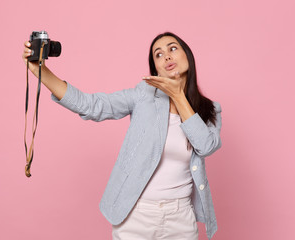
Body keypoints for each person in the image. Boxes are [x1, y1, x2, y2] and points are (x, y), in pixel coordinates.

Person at [22, 31, 222, 240]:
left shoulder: (210, 110)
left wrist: (178, 95)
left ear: (187, 56)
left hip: (180, 218)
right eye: (158, 54)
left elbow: (206, 146)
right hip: (136, 215)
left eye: (173, 49)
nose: (167, 57)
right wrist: (40, 71)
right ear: (155, 69)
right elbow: (91, 106)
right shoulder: (142, 95)